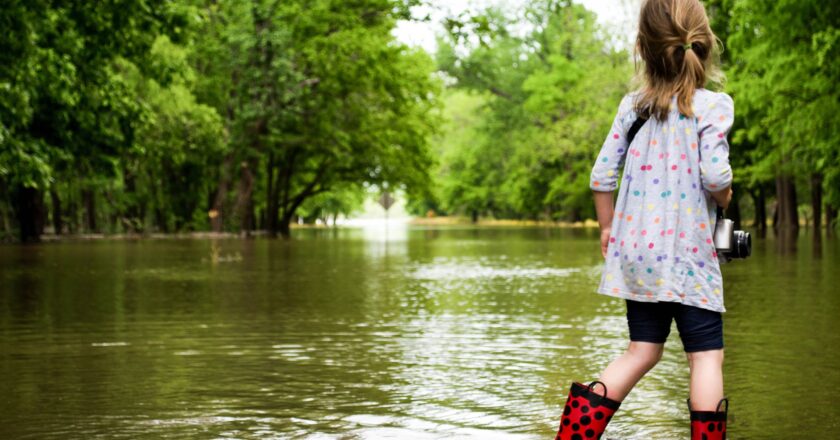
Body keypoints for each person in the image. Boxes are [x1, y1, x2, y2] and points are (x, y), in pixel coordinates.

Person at [554, 0, 733, 439]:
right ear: (704, 45)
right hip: (690, 257)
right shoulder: (713, 107)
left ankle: (574, 435)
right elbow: (715, 177)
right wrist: (726, 196)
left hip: (638, 255)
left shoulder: (632, 106)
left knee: (641, 351)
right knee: (705, 357)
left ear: (643, 48)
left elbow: (601, 176)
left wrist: (608, 228)